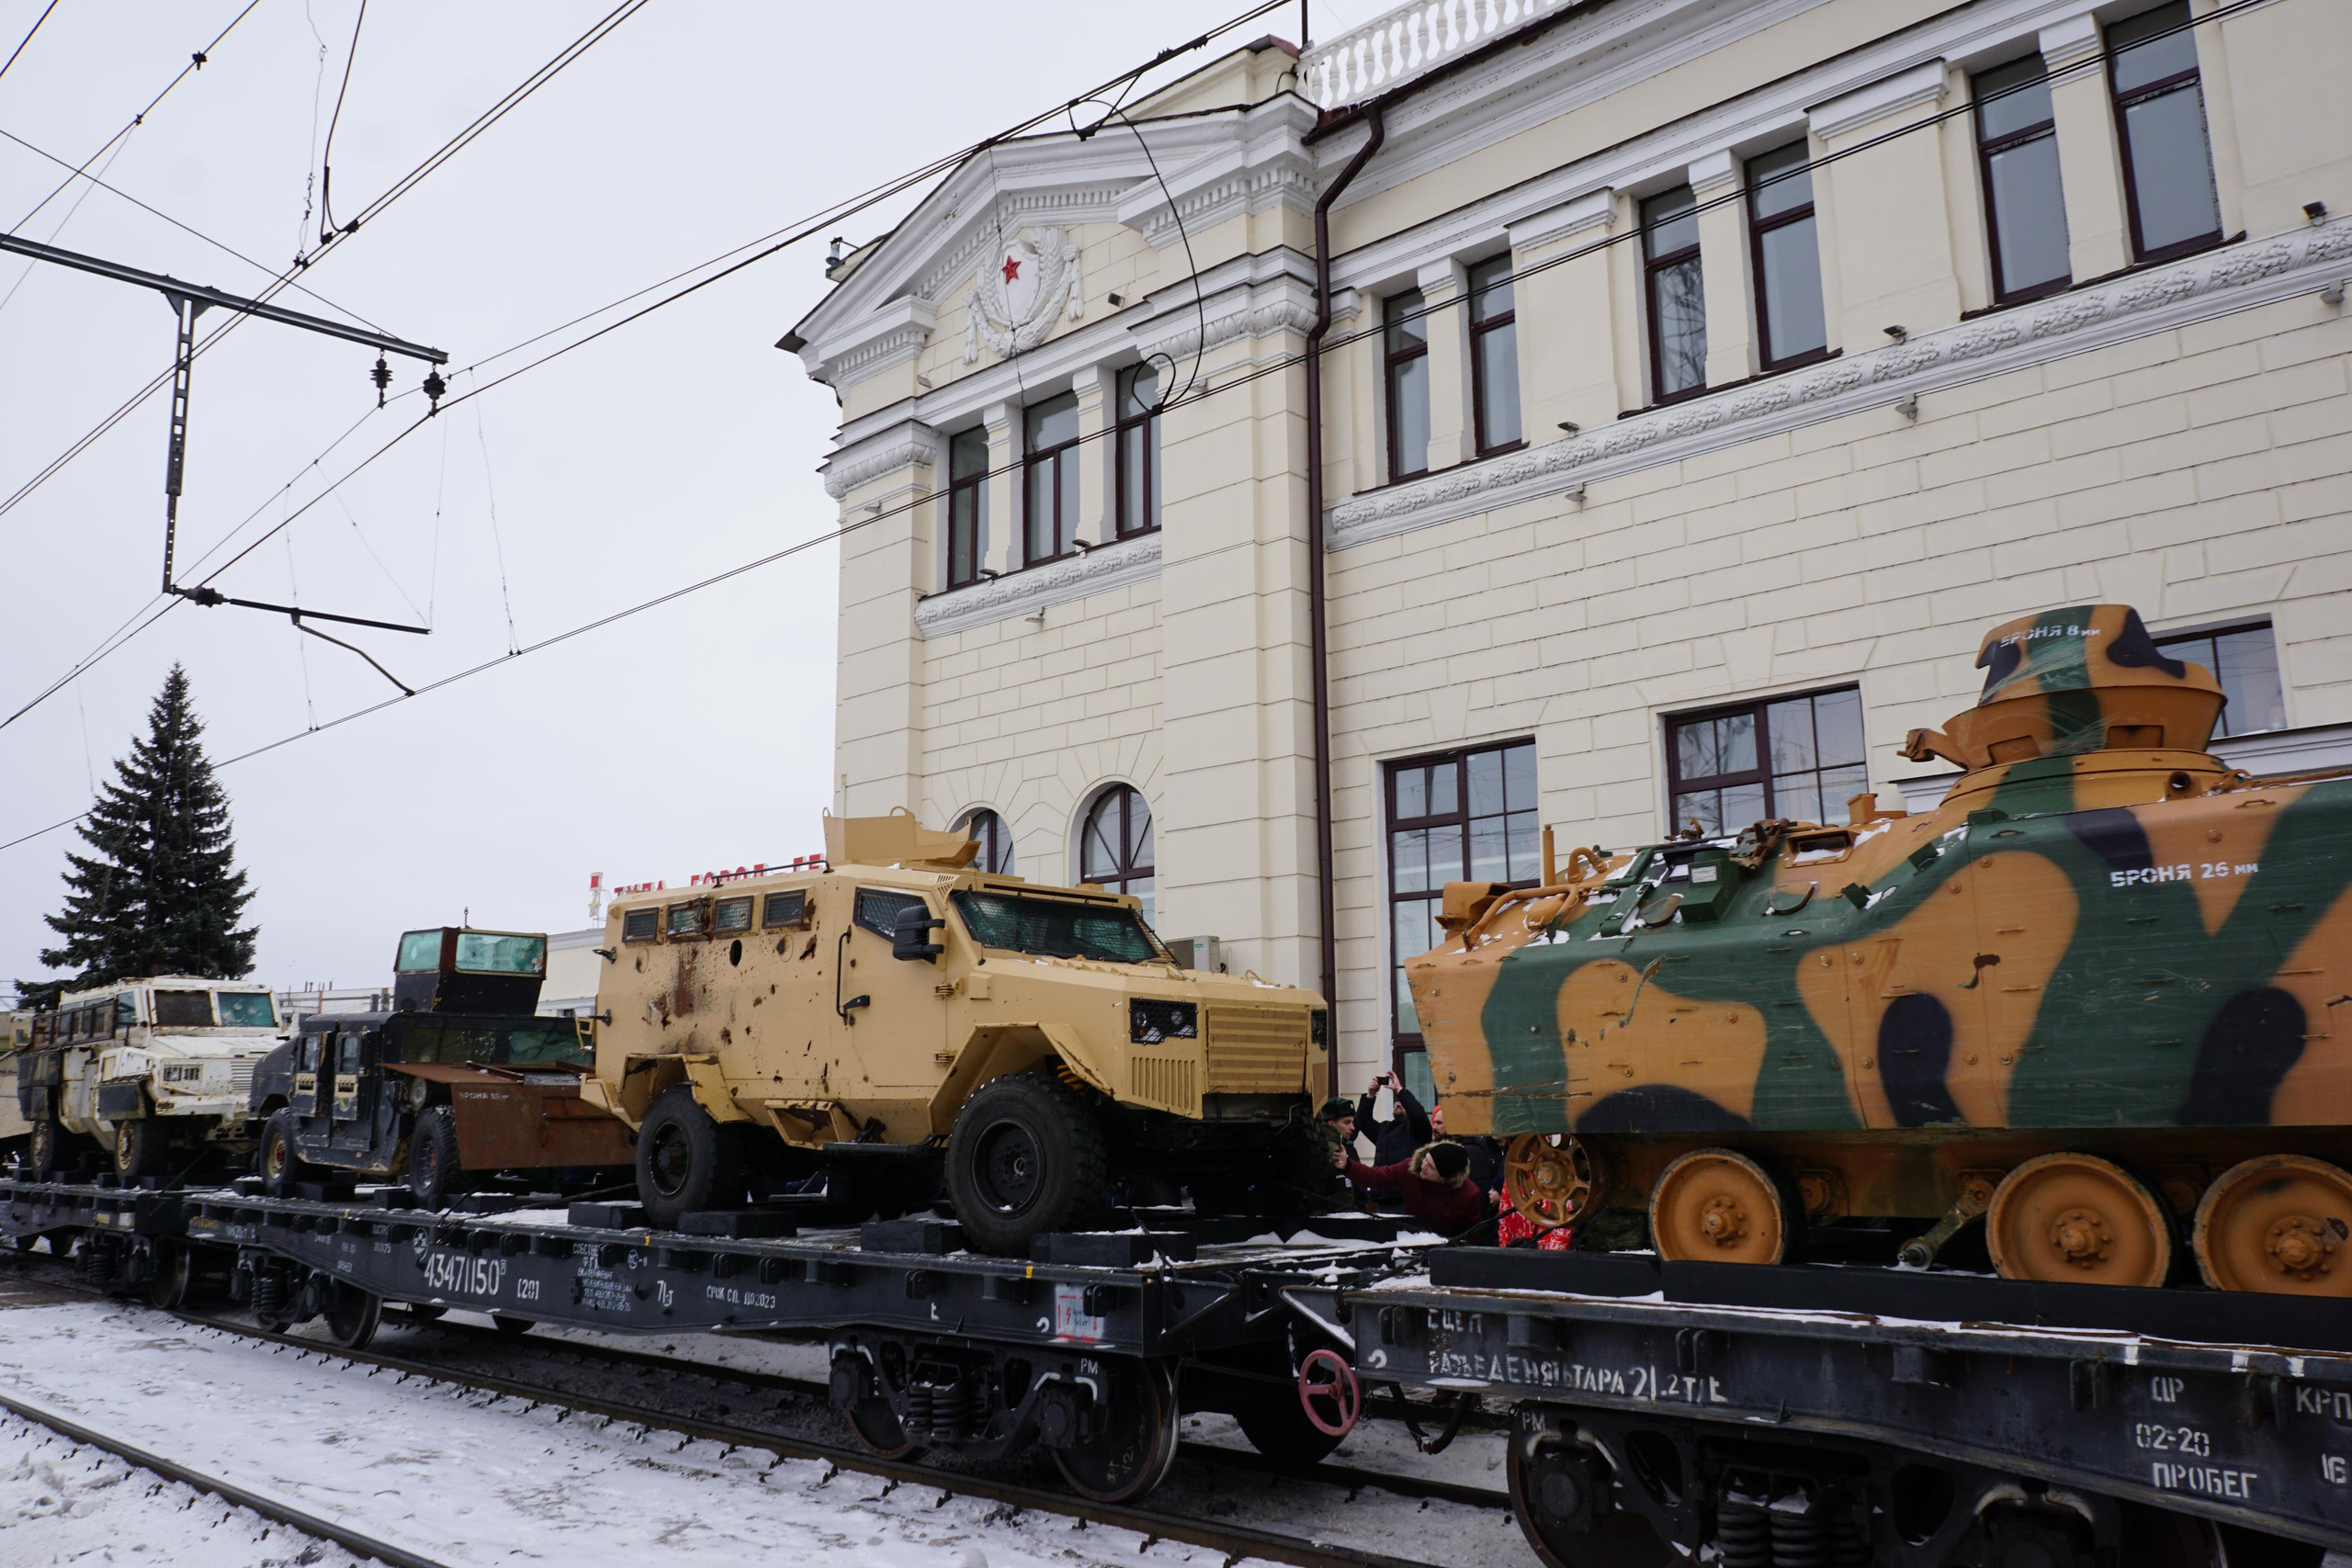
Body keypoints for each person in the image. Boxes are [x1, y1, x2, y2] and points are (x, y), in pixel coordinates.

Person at [1334, 1138, 1497, 1239]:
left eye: (1431, 1167)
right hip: (1410, 1240)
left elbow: (1471, 1236)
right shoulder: (1410, 1168)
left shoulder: (1468, 1194)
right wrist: (1347, 1165)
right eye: (1426, 1160)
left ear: (1446, 1177)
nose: (1423, 1167)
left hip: (1446, 1249)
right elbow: (1376, 1177)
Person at [1356, 1071, 1431, 1168]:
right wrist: (1371, 1095)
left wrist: (1399, 1089)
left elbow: (1418, 1116)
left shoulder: (1417, 1131)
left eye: (1402, 1104)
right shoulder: (1385, 1129)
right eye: (1397, 1103)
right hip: (1382, 1180)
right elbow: (1363, 1121)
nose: (1398, 1104)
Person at [1429, 1100, 1505, 1194]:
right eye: (1434, 1123)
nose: (1434, 1127)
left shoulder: (1471, 1151)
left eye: (1439, 1123)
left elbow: (1480, 1188)